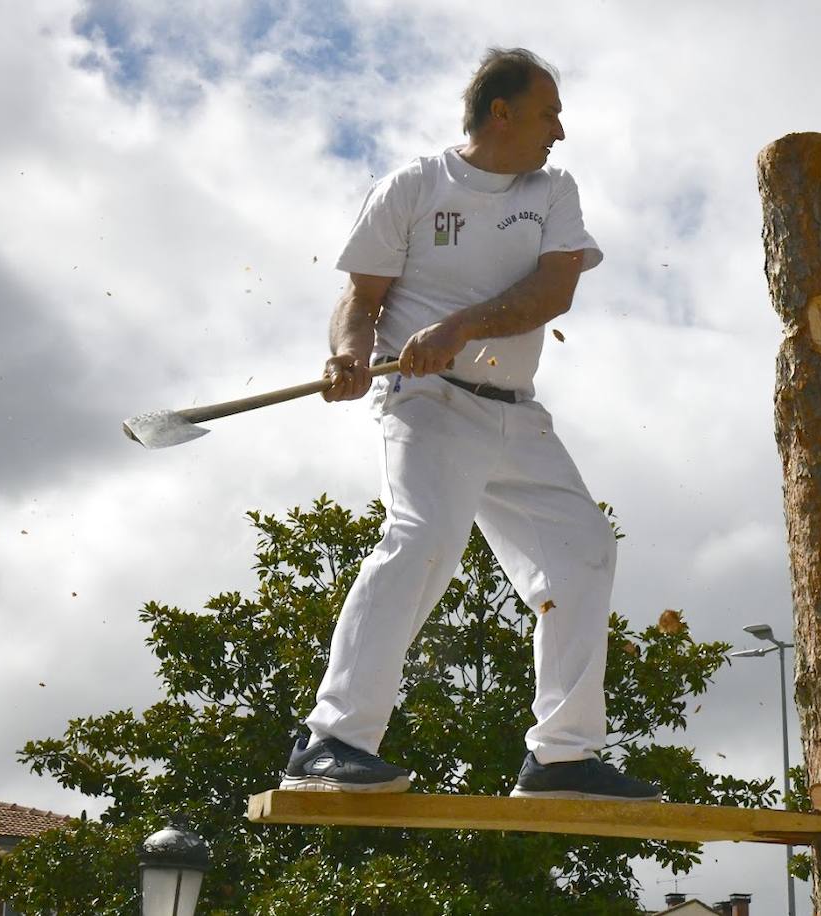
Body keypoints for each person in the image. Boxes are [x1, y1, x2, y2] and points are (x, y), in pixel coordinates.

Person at [279, 48, 660, 802]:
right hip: (427, 405)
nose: (560, 129)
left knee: (584, 549)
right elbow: (361, 300)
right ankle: (332, 740)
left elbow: (553, 292)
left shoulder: (554, 191)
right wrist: (350, 356)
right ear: (502, 112)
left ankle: (561, 757)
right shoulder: (413, 187)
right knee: (420, 539)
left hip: (514, 413)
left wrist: (458, 327)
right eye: (549, 112)